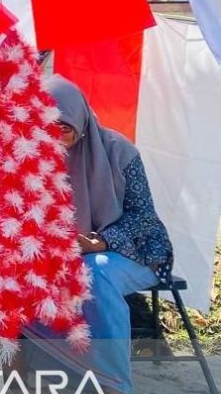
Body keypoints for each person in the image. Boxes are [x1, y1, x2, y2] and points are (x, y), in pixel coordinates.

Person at [23, 75, 173, 394]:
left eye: (64, 126)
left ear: (80, 118)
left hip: (135, 250)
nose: (56, 135)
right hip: (68, 255)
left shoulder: (119, 151)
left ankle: (113, 382)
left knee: (95, 272)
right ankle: (60, 369)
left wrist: (101, 241)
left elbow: (143, 219)